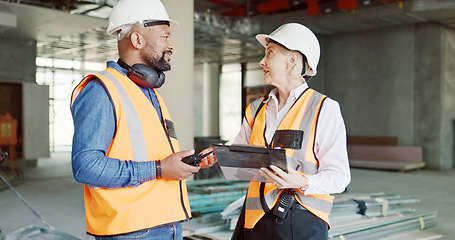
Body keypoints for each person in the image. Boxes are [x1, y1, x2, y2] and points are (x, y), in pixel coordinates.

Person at [70, 0, 216, 239]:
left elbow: (149, 155)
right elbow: (86, 166)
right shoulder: (101, 90)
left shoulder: (150, 92)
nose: (171, 45)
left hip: (168, 225)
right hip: (131, 231)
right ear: (137, 40)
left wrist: (186, 164)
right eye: (165, 36)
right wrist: (159, 169)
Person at [231, 23, 351, 240]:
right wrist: (213, 156)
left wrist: (303, 182)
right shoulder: (256, 109)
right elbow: (237, 157)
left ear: (292, 61)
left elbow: (340, 177)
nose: (262, 61)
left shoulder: (323, 108)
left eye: (269, 53)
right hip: (255, 221)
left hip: (302, 222)